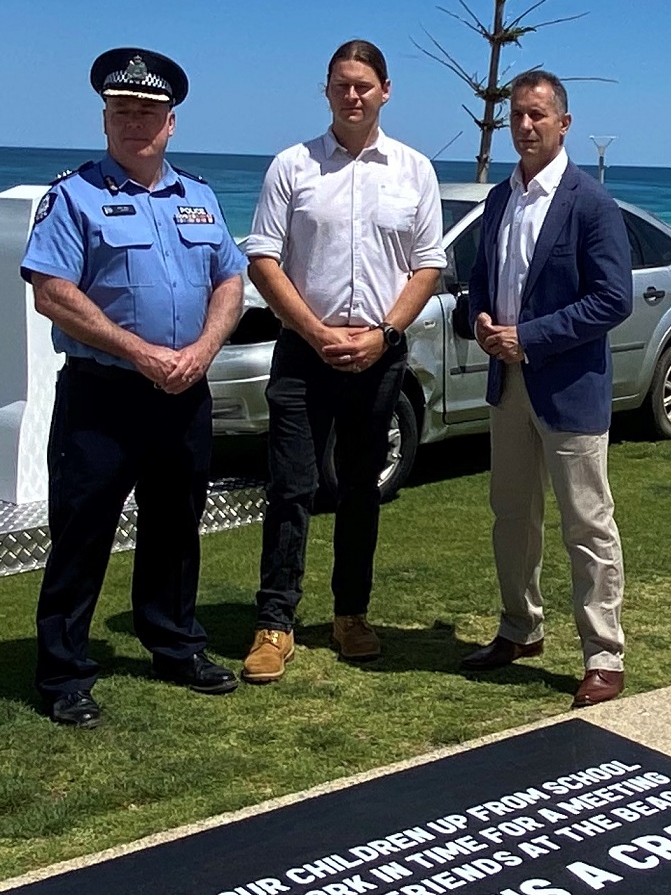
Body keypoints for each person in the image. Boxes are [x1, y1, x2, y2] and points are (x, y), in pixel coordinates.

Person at [22, 46, 247, 726]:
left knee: (176, 527)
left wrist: (202, 351)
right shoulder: (73, 197)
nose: (136, 123)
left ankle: (174, 644)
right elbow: (53, 294)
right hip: (104, 394)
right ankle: (64, 672)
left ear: (170, 123)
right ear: (104, 118)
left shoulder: (199, 198)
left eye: (148, 112)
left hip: (183, 392)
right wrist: (141, 351)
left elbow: (230, 281)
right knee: (83, 531)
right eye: (123, 111)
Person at [239, 39, 445, 683]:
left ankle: (351, 614)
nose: (351, 95)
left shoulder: (414, 170)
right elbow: (264, 259)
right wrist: (313, 330)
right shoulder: (292, 167)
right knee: (291, 486)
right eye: (339, 85)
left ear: (385, 90)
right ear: (325, 92)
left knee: (362, 488)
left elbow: (428, 265)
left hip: (380, 356)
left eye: (362, 85)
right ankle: (275, 622)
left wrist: (382, 333)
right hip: (304, 353)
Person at [453, 70, 636, 708]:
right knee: (512, 518)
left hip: (570, 391)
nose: (526, 127)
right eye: (517, 117)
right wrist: (479, 317)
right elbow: (480, 276)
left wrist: (529, 336)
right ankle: (519, 629)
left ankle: (603, 656)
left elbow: (614, 298)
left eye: (537, 116)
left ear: (563, 123)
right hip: (508, 389)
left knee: (587, 525)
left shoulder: (591, 202)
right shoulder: (502, 200)